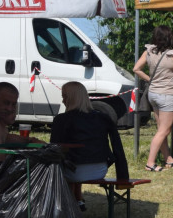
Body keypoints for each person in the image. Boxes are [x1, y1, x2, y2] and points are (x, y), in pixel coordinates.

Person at [49, 81, 129, 209]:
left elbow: (54, 148)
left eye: (64, 96)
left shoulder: (61, 119)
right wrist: (123, 176)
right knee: (73, 160)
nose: (63, 100)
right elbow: (117, 145)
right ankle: (78, 200)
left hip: (73, 172)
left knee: (66, 163)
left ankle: (69, 204)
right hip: (100, 169)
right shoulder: (103, 117)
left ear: (71, 98)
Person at [133, 25, 173, 172]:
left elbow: (136, 69)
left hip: (153, 94)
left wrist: (150, 79)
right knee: (164, 130)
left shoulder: (148, 51)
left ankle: (168, 159)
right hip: (167, 95)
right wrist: (172, 81)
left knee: (161, 128)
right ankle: (150, 162)